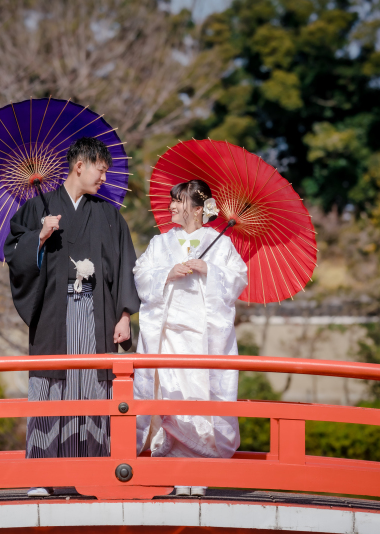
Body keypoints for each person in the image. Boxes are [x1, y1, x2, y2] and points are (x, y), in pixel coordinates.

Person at [4, 137, 140, 497]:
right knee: (52, 387)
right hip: (54, 311)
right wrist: (39, 235)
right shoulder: (36, 210)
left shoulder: (109, 215)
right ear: (81, 165)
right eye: (100, 169)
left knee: (94, 386)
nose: (104, 177)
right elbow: (15, 255)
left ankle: (93, 471)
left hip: (98, 312)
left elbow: (126, 265)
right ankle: (44, 476)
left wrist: (125, 314)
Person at [132, 179, 248, 497]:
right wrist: (166, 273)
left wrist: (209, 269)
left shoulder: (220, 243)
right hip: (168, 336)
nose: (170, 206)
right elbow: (141, 273)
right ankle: (173, 469)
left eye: (178, 201)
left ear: (198, 208)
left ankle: (200, 470)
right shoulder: (160, 243)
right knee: (170, 399)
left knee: (200, 401)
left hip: (203, 338)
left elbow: (238, 277)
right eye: (172, 201)